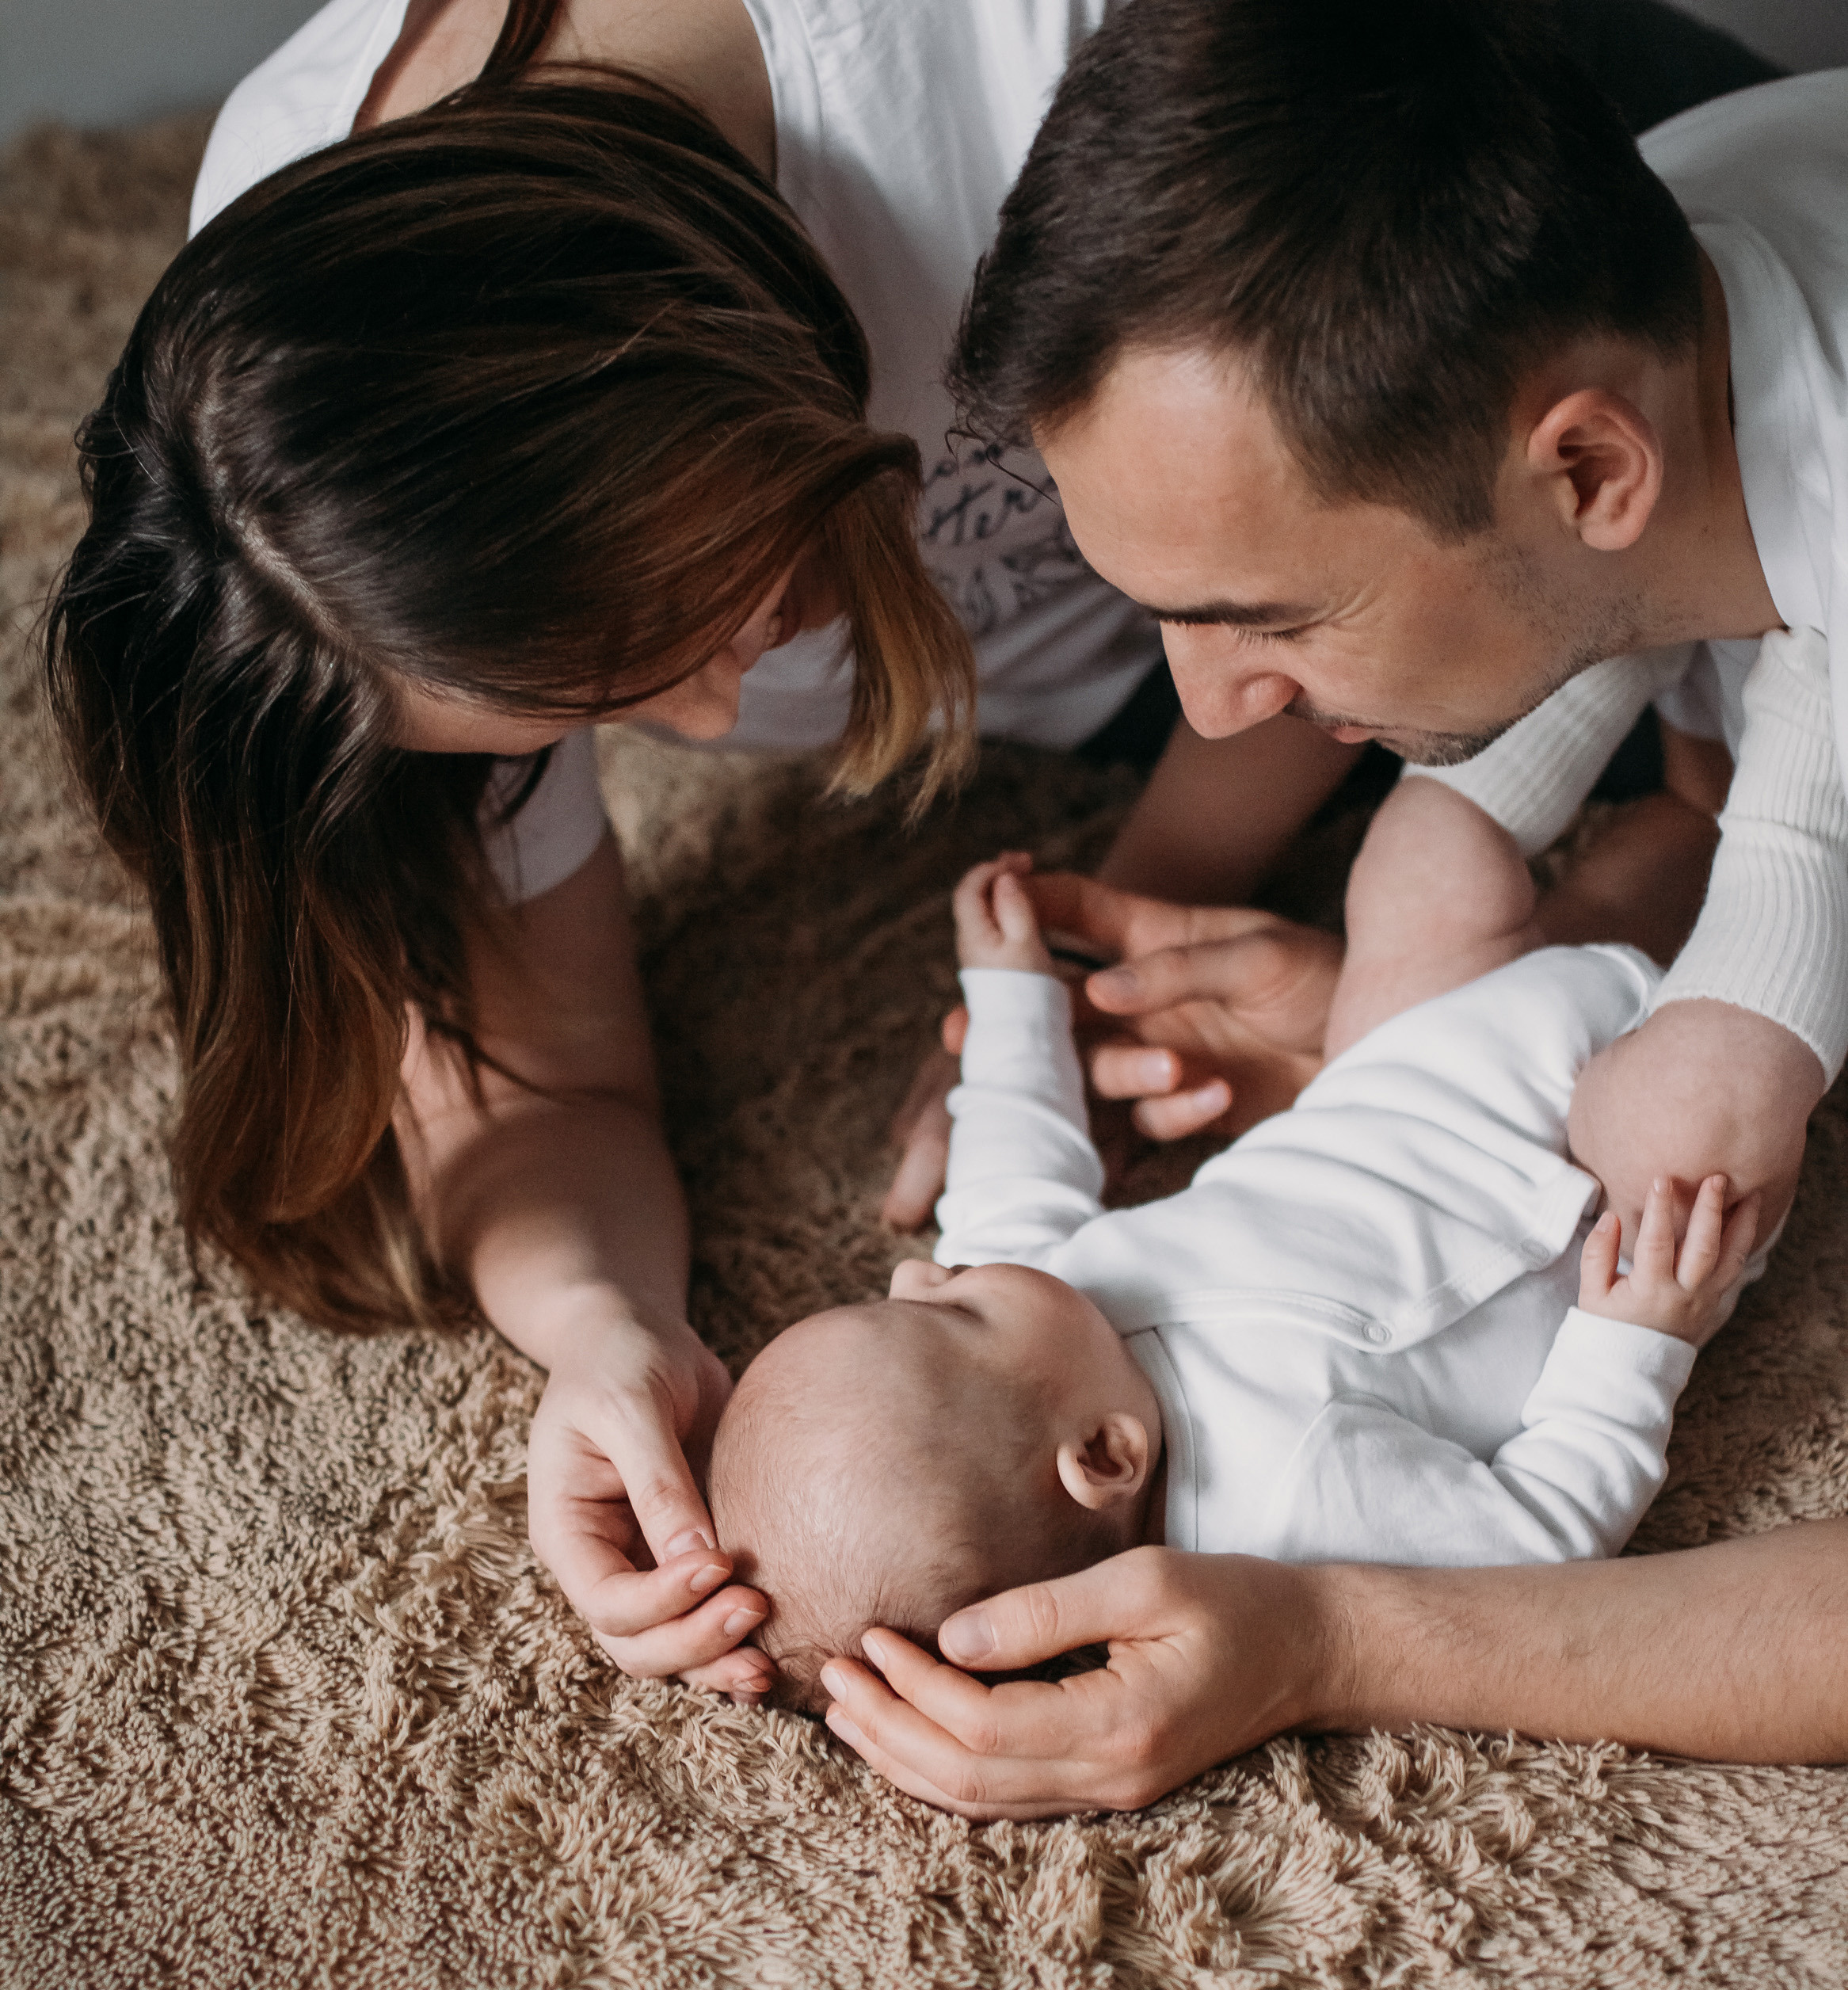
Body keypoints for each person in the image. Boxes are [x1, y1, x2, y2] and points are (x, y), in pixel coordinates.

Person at [44, 0, 1767, 1709]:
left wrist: (1166, 882)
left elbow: (1339, 569)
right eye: (593, 712)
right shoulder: (309, 505)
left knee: (1753, 655)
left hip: (1458, 325)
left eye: (679, 624)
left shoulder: (1030, 67)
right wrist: (599, 1331)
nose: (721, 724)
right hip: (1216, 663)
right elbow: (544, 1080)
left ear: (702, 366)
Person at [817, 0, 1848, 1810]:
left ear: (1590, 470)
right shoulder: (1671, 233)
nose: (1206, 714)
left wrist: (1333, 1635)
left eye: (1269, 617)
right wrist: (1419, 1032)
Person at [712, 853, 1753, 1710]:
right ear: (1104, 1455)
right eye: (948, 1315)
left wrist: (1012, 995)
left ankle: (1682, 777)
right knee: (1719, 1062)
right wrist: (1638, 1342)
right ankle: (1788, 838)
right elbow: (1540, 1540)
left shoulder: (1038, 1304)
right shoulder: (1278, 1508)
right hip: (1619, 1207)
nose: (916, 1271)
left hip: (1439, 1065)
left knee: (1428, 866)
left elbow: (1012, 1152)